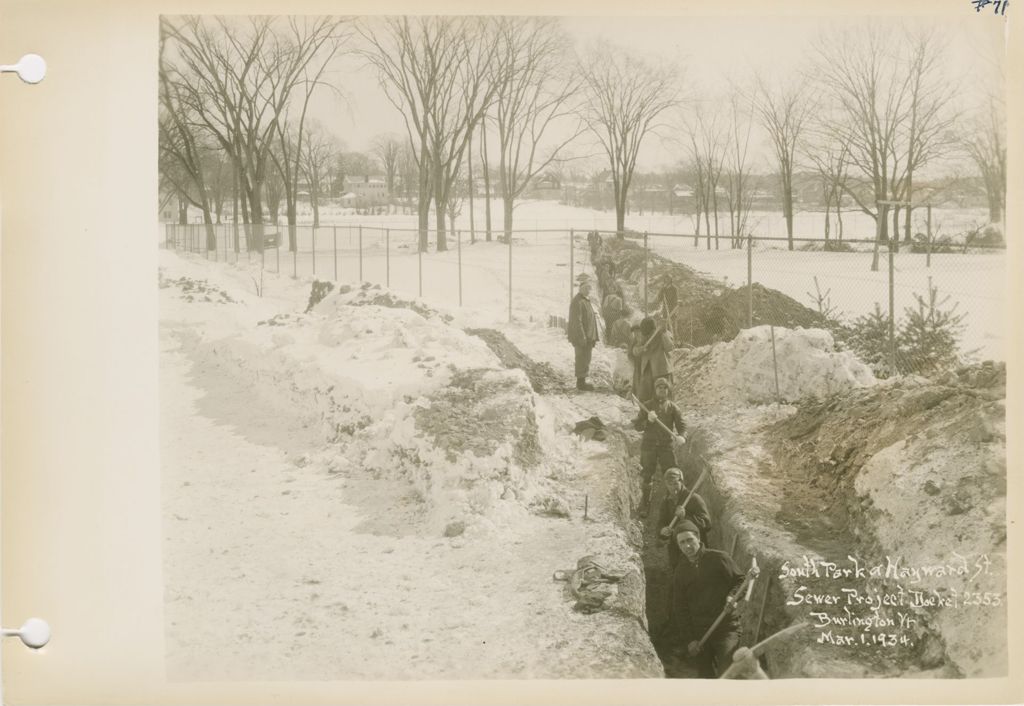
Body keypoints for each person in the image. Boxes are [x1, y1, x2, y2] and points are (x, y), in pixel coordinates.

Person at [669, 521, 747, 678]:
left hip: (726, 627)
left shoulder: (719, 558)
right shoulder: (680, 571)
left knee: (728, 673)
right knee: (705, 677)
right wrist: (690, 640)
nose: (687, 546)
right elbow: (680, 607)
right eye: (682, 542)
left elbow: (741, 581)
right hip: (700, 633)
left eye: (689, 540)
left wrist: (732, 596)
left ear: (698, 537)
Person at [632, 376, 686, 516]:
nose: (662, 390)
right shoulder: (647, 405)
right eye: (659, 388)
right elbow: (637, 426)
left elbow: (682, 426)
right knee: (647, 475)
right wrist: (648, 421)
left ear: (668, 390)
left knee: (672, 475)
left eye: (665, 388)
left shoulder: (673, 407)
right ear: (655, 390)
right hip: (648, 446)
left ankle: (674, 505)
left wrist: (682, 436)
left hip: (665, 446)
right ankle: (645, 505)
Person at [657, 468, 711, 569]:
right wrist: (662, 531)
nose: (673, 488)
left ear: (681, 482)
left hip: (694, 545)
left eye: (675, 483)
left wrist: (685, 518)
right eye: (670, 484)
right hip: (677, 547)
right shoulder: (665, 502)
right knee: (679, 572)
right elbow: (661, 522)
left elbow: (707, 524)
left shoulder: (694, 499)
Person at [567, 273, 600, 391]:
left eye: (589, 288)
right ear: (581, 288)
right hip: (582, 337)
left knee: (586, 358)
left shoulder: (585, 300)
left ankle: (583, 380)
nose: (589, 290)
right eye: (586, 288)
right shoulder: (578, 301)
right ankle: (580, 383)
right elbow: (577, 321)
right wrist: (582, 337)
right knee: (581, 358)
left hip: (588, 337)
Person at [630, 316, 674, 403]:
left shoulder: (663, 333)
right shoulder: (643, 335)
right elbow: (634, 351)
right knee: (645, 397)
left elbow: (670, 347)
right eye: (644, 334)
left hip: (662, 370)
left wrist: (663, 332)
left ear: (653, 329)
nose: (646, 336)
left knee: (663, 398)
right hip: (647, 370)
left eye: (649, 333)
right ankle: (646, 414)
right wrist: (639, 349)